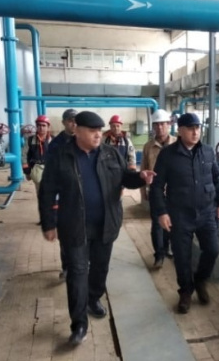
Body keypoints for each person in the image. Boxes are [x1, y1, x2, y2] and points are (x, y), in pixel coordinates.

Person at [38, 111, 155, 346]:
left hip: (105, 225)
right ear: (77, 130)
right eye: (92, 131)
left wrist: (141, 177)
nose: (97, 135)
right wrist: (49, 224)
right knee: (77, 273)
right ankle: (79, 324)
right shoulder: (61, 155)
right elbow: (47, 191)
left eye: (99, 131)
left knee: (100, 269)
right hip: (74, 226)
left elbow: (125, 178)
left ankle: (93, 299)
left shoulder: (110, 153)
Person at [149, 112, 219, 314]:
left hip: (207, 212)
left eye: (198, 128)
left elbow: (217, 179)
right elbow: (157, 186)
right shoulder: (168, 155)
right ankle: (185, 291)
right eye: (191, 128)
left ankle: (200, 280)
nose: (195, 132)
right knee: (182, 256)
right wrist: (162, 212)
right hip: (179, 214)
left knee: (213, 249)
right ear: (180, 131)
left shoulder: (207, 152)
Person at [141, 109, 177, 269]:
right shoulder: (148, 147)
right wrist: (143, 192)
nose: (160, 127)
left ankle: (167, 248)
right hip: (156, 192)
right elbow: (143, 169)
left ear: (169, 124)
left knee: (172, 222)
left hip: (175, 192)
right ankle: (159, 255)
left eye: (163, 124)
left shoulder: (177, 144)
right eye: (156, 124)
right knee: (156, 224)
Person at [47, 108, 78, 280]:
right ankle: (66, 267)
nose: (74, 124)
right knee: (65, 234)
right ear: (64, 122)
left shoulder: (82, 139)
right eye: (70, 121)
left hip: (81, 194)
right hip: (64, 195)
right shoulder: (56, 144)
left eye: (76, 121)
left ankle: (81, 265)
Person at [22, 115, 53, 195]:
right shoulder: (30, 140)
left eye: (44, 125)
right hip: (36, 169)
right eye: (39, 125)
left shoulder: (54, 140)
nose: (41, 128)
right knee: (41, 191)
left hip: (50, 169)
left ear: (48, 127)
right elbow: (24, 155)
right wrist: (27, 170)